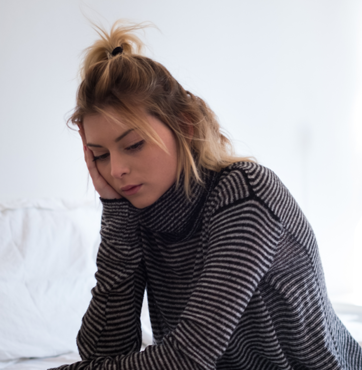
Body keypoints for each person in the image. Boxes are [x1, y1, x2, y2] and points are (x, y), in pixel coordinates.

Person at [50, 21, 362, 370]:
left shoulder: (246, 194)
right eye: (101, 155)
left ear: (184, 125)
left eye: (133, 145)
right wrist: (116, 216)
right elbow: (102, 354)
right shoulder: (136, 212)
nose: (116, 169)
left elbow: (187, 358)